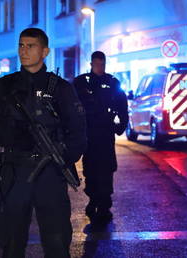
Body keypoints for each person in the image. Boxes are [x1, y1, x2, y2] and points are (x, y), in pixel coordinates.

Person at [0, 28, 87, 258]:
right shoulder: (4, 86)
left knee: (57, 241)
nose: (24, 51)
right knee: (12, 242)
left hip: (50, 174)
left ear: (45, 51)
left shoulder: (60, 88)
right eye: (21, 45)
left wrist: (63, 154)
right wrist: (15, 136)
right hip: (15, 172)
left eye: (31, 46)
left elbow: (78, 132)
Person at [73, 51, 128, 225]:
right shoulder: (81, 82)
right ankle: (93, 200)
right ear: (91, 64)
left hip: (105, 134)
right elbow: (71, 106)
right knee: (90, 169)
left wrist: (120, 126)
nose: (99, 67)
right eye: (96, 64)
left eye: (102, 64)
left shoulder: (112, 82)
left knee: (106, 170)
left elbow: (122, 106)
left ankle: (104, 205)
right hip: (88, 134)